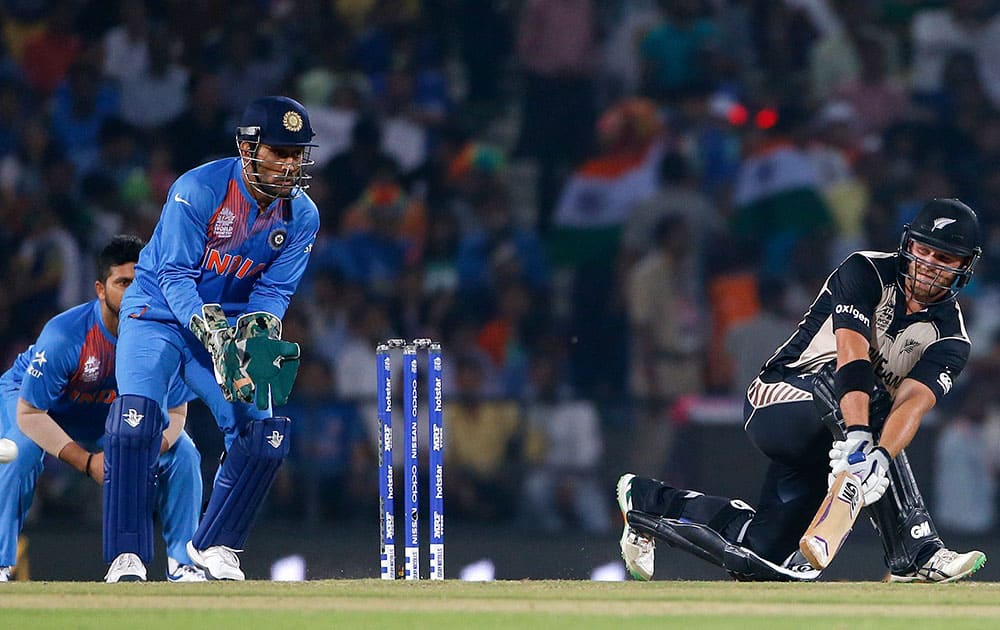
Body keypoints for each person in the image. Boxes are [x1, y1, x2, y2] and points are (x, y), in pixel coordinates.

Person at [617, 198, 988, 583]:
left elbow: (913, 403)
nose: (928, 265)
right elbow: (851, 356)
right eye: (923, 251)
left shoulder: (952, 339)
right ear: (907, 245)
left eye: (943, 258)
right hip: (781, 402)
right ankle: (918, 551)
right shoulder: (864, 270)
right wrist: (861, 437)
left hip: (831, 443)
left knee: (762, 555)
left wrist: (880, 457)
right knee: (864, 389)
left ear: (964, 266)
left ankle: (646, 503)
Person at [102, 96, 318, 582]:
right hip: (157, 313)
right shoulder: (197, 189)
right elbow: (176, 274)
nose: (288, 164)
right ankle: (127, 556)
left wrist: (256, 332)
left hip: (226, 327)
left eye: (297, 153)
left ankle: (214, 546)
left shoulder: (302, 215)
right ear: (248, 147)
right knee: (134, 422)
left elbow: (275, 288)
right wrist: (212, 333)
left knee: (266, 435)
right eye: (278, 151)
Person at [0, 235, 204, 583]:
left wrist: (139, 457)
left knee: (184, 452)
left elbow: (174, 416)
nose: (132, 292)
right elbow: (32, 414)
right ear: (100, 288)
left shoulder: (167, 339)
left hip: (110, 420)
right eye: (122, 282)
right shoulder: (66, 335)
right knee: (22, 452)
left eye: (141, 283)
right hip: (37, 406)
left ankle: (183, 562)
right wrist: (88, 461)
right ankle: (1, 562)